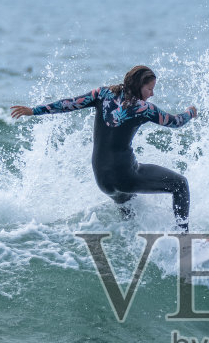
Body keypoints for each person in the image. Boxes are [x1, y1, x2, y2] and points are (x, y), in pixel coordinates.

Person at [11, 65, 199, 231]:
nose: (152, 94)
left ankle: (132, 245)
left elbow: (69, 104)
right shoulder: (143, 108)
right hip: (126, 175)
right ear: (138, 86)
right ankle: (184, 240)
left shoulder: (102, 94)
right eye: (150, 89)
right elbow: (175, 122)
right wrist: (190, 112)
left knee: (129, 206)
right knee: (180, 185)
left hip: (103, 180)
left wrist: (34, 110)